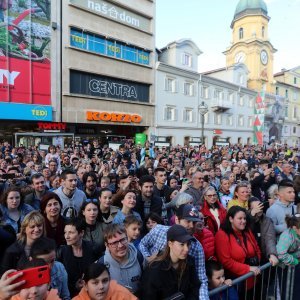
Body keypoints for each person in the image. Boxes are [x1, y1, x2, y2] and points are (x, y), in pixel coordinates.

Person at [139, 204, 209, 299]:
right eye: (187, 221)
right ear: (177, 219)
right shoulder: (158, 230)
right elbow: (142, 244)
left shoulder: (195, 251)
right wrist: (148, 259)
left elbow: (199, 281)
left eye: (194, 222)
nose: (192, 226)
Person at [141, 224, 200, 299]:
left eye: (188, 244)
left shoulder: (189, 262)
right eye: (182, 244)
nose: (187, 249)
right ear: (170, 244)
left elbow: (195, 287)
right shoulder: (154, 270)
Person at [215, 206, 261, 294]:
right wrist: (248, 268)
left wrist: (257, 261)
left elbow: (256, 247)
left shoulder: (247, 231)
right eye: (240, 218)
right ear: (231, 219)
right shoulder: (222, 235)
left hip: (253, 277)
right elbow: (225, 261)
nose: (243, 221)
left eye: (244, 218)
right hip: (236, 281)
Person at [96, 224, 143, 295]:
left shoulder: (139, 256)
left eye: (123, 240)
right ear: (107, 245)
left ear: (127, 238)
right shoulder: (101, 264)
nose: (120, 245)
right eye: (114, 243)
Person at [57, 218, 98, 298]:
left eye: (71, 232)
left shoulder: (92, 248)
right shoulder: (62, 252)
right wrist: (74, 286)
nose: (67, 236)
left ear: (81, 233)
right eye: (65, 232)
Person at [73, 263, 137, 300]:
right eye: (95, 283)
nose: (101, 286)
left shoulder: (121, 294)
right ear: (85, 286)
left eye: (105, 281)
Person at [248, 196, 278, 265]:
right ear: (250, 209)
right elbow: (247, 229)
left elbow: (270, 238)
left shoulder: (267, 220)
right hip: (250, 257)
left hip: (264, 255)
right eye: (256, 207)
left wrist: (272, 254)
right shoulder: (246, 219)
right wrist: (251, 215)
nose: (259, 209)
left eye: (260, 206)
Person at [276, 214, 300, 299]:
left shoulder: (297, 234)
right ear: (294, 228)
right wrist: (295, 261)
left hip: (295, 265)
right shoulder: (287, 237)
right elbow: (281, 254)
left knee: (296, 289)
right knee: (286, 290)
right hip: (284, 268)